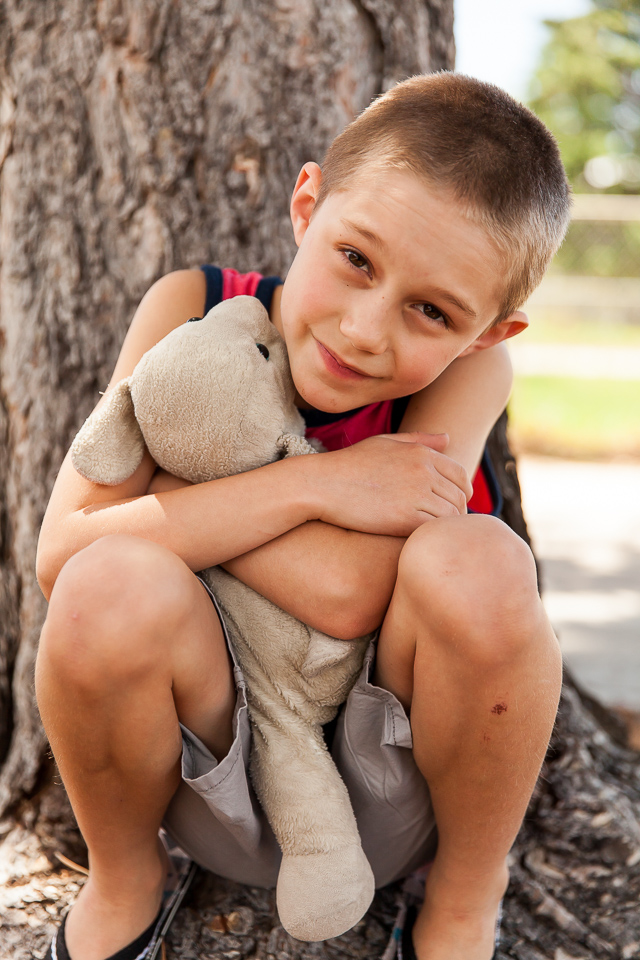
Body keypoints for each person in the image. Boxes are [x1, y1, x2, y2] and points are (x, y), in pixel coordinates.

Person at [35, 73, 569, 960]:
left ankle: (464, 906)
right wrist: (322, 487)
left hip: (388, 793)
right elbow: (67, 552)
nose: (365, 330)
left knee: (479, 562)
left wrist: (170, 503)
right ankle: (124, 880)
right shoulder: (190, 309)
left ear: (486, 334)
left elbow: (351, 592)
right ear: (307, 205)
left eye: (431, 311)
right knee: (107, 587)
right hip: (200, 771)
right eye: (356, 258)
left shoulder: (469, 378)